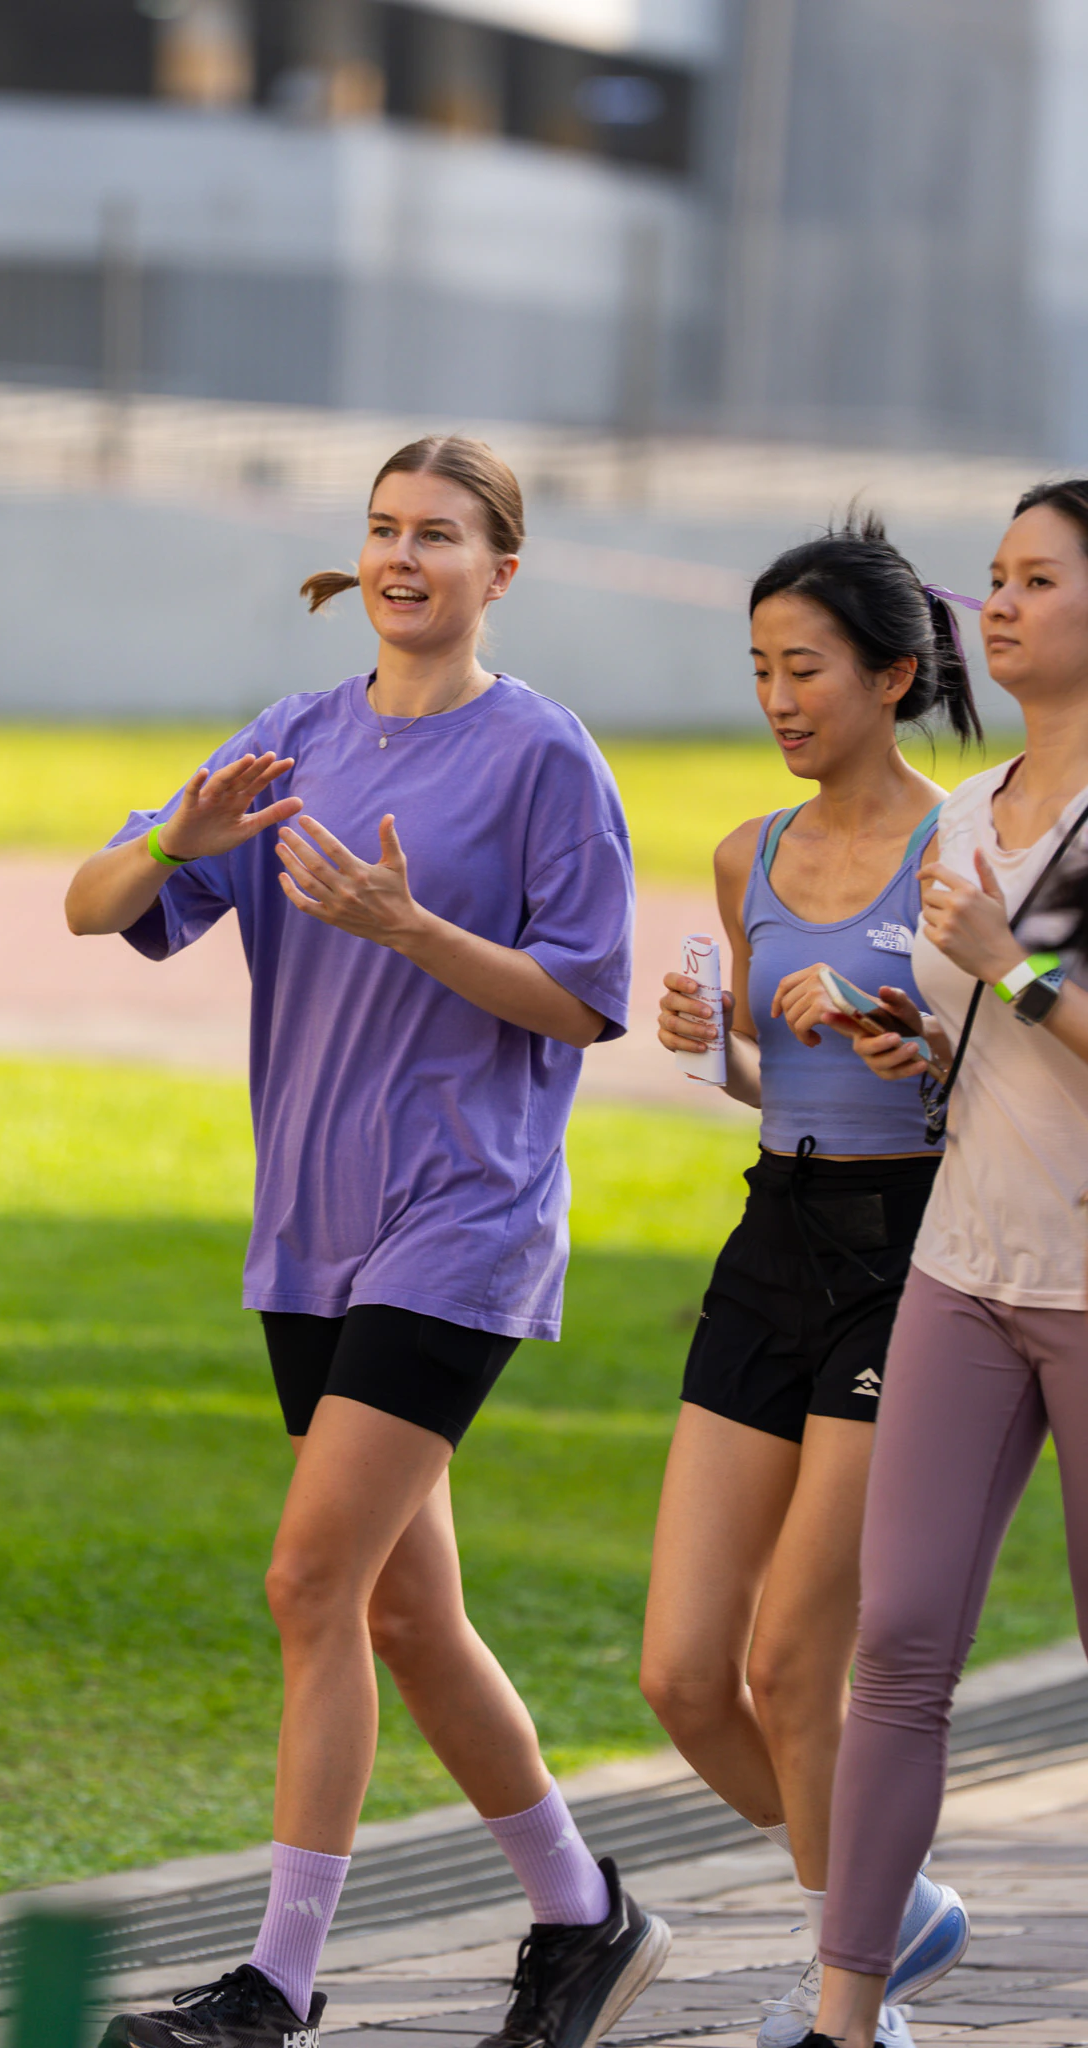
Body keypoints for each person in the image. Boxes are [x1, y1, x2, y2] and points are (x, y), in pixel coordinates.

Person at [65, 435, 670, 2048]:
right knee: (407, 1615)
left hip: (464, 1218)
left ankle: (276, 1978)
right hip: (311, 1233)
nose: (406, 557)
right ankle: (585, 1915)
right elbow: (90, 902)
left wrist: (415, 929)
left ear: (501, 572)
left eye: (444, 536)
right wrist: (179, 841)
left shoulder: (546, 757)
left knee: (309, 1577)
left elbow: (586, 1000)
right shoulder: (294, 740)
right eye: (387, 529)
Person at [642, 514, 979, 2048]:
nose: (779, 700)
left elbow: (990, 1079)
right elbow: (770, 1085)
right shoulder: (747, 856)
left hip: (912, 1252)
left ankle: (858, 1992)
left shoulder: (960, 848)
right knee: (683, 1674)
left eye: (808, 670)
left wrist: (898, 1031)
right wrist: (707, 1043)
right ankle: (888, 1907)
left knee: (794, 1659)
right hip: (773, 1237)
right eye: (761, 670)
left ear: (892, 674)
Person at [806, 483, 1088, 2048]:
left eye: (1038, 579)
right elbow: (982, 1041)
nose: (1000, 602)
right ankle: (849, 2016)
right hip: (965, 1273)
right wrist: (919, 1035)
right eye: (994, 576)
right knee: (899, 1640)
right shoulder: (968, 816)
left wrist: (1012, 971)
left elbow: (1033, 992)